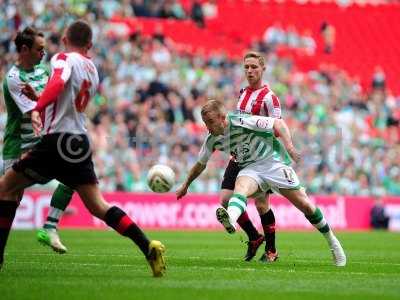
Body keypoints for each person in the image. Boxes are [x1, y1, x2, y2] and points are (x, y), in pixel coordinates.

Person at [0, 20, 166, 277]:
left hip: (56, 139)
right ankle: (148, 247)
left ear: (65, 38)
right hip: (78, 142)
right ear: (89, 44)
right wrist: (39, 98)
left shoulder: (63, 58)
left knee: (5, 188)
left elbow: (57, 85)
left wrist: (40, 106)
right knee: (99, 205)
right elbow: (65, 96)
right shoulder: (92, 68)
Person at [177, 100, 346, 267]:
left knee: (306, 206)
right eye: (206, 123)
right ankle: (231, 219)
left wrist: (290, 146)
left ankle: (333, 242)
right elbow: (200, 165)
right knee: (240, 188)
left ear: (223, 118)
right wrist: (185, 184)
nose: (208, 127)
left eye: (211, 122)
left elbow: (277, 123)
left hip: (272, 164)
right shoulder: (212, 140)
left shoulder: (242, 121)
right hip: (251, 169)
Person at [1, 26, 73, 254]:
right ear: (24, 49)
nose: (44, 53)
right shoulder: (14, 79)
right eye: (39, 49)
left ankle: (49, 226)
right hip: (19, 145)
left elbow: (53, 100)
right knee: (10, 198)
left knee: (74, 173)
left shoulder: (43, 72)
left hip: (41, 142)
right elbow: (36, 110)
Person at [220, 51, 283, 263]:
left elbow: (277, 128)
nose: (249, 71)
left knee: (262, 205)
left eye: (254, 67)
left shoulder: (270, 98)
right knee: (225, 200)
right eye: (246, 67)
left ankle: (272, 251)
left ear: (263, 68)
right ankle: (255, 237)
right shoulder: (242, 93)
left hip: (258, 158)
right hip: (238, 154)